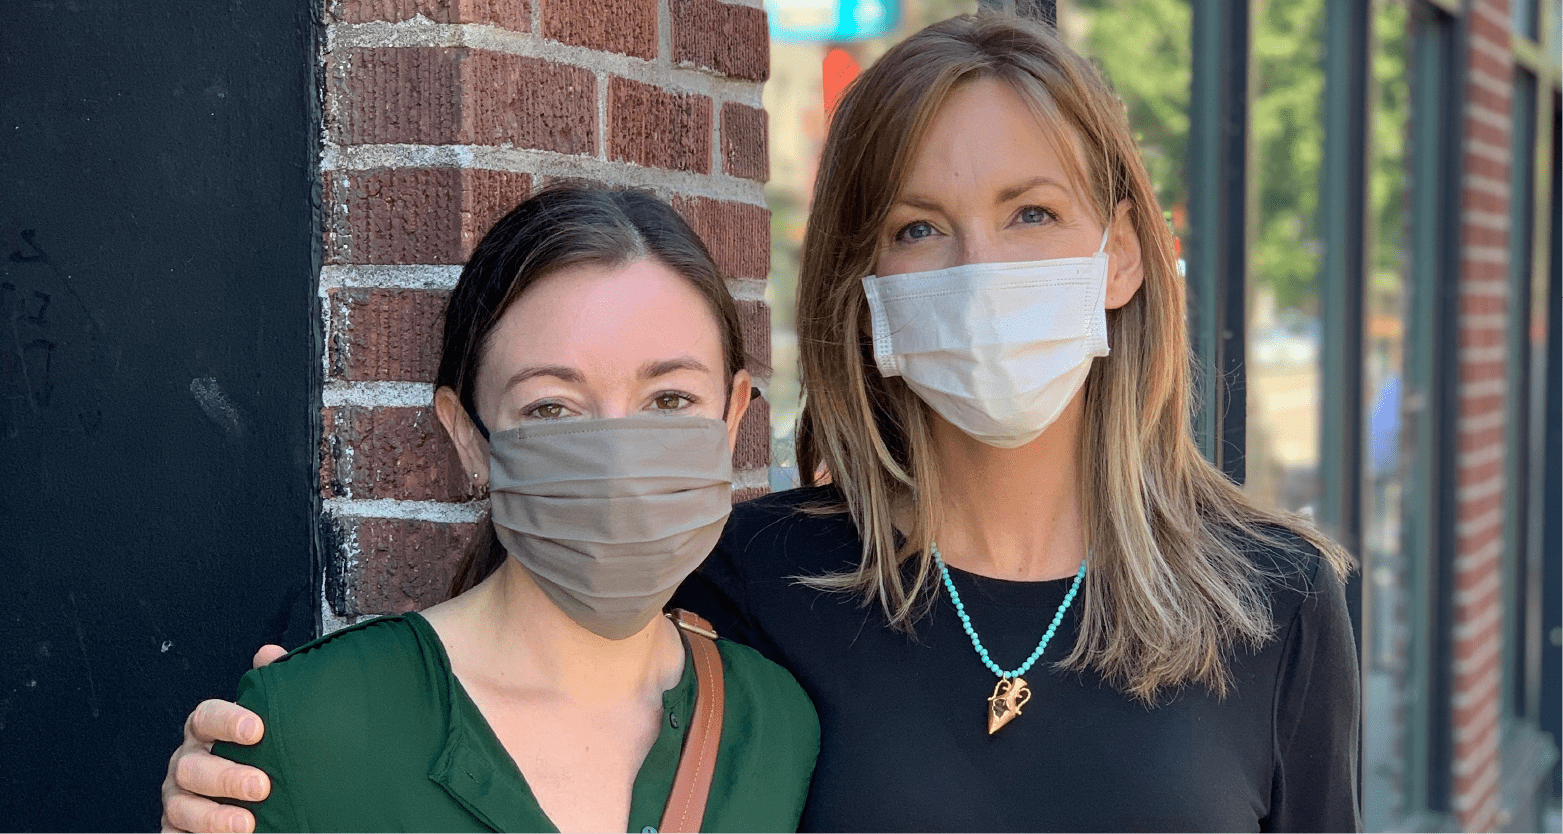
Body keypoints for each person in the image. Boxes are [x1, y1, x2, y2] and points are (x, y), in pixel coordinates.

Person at [163, 14, 1359, 834]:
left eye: (1034, 212)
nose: (979, 265)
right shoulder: (755, 575)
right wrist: (296, 748)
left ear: (1122, 256)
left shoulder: (1275, 601)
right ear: (863, 284)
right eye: (917, 228)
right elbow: (544, 708)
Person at [179, 186, 819, 834]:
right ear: (467, 436)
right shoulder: (305, 727)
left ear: (732, 416)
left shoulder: (777, 723)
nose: (619, 462)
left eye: (671, 399)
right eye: (550, 408)